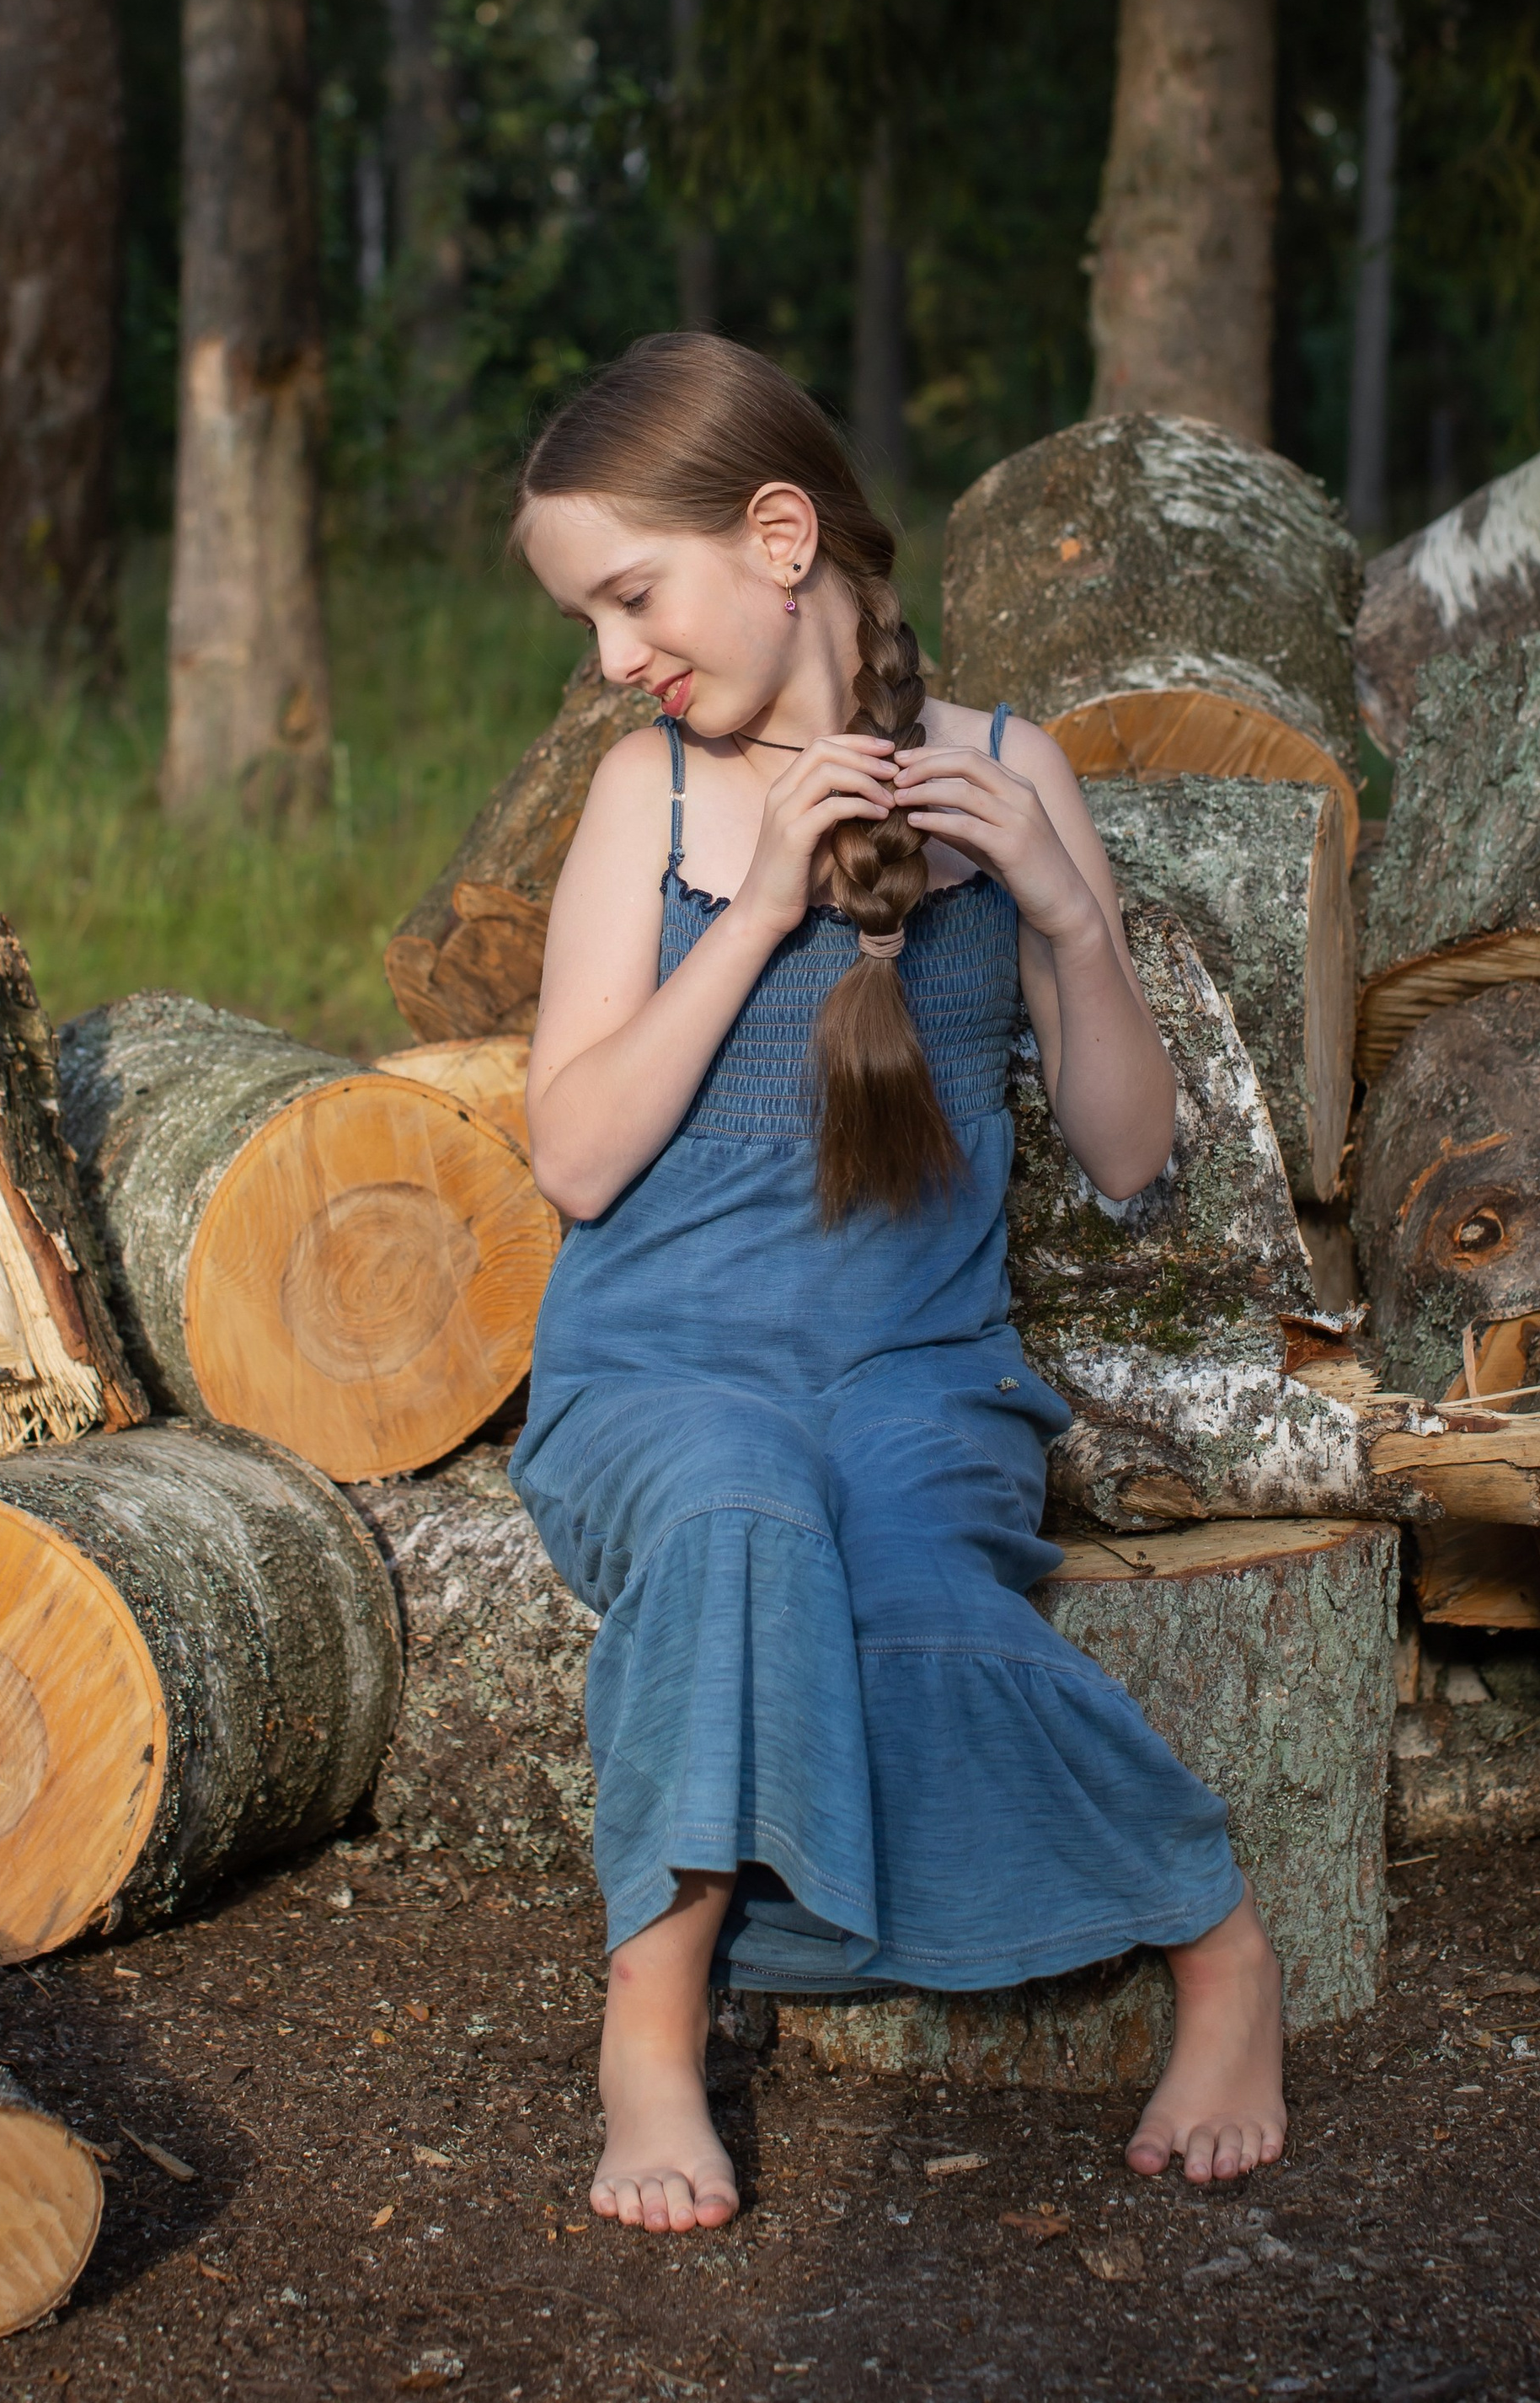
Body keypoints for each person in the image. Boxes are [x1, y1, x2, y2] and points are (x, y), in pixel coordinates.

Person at [509, 332, 1285, 2237]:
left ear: (779, 537)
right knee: (732, 1513)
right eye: (590, 618)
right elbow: (577, 1154)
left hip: (909, 1374)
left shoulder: (1006, 769)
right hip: (660, 1373)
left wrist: (1067, 915)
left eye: (628, 597)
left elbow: (1121, 1153)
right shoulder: (654, 805)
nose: (612, 657)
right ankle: (652, 2023)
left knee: (924, 1598)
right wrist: (760, 905)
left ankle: (1216, 1945)